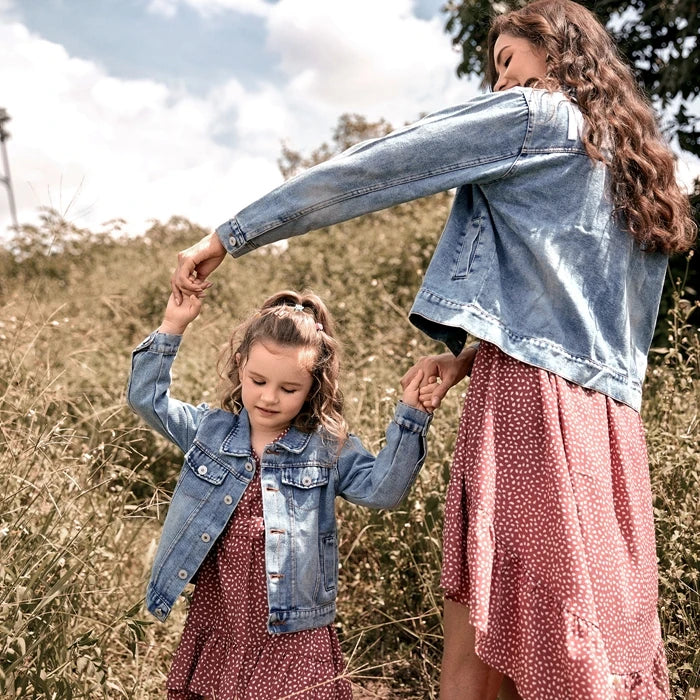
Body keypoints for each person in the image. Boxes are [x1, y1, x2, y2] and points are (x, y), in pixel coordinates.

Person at [167, 1, 696, 697]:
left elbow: (381, 166)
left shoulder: (536, 117)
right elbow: (586, 320)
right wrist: (470, 356)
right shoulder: (632, 169)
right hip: (608, 437)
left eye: (509, 61)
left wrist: (229, 235)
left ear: (558, 52)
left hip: (529, 413)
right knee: (576, 651)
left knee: (477, 648)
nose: (502, 83)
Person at [126, 288, 436, 699]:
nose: (269, 397)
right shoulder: (209, 432)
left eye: (289, 389)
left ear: (313, 386)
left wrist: (412, 416)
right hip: (223, 616)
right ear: (240, 367)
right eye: (258, 381)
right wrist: (173, 325)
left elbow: (383, 491)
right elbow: (146, 399)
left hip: (293, 625)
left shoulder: (327, 448)